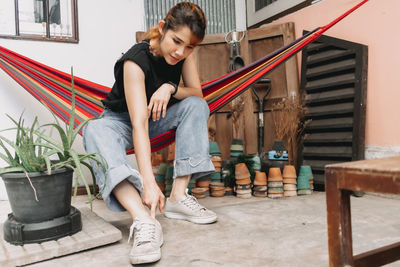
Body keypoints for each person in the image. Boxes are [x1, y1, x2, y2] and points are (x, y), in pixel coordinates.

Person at [83, 2, 217, 265]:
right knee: (93, 129)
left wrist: (169, 87)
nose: (180, 51)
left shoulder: (183, 56)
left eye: (189, 46)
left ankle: (178, 196)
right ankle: (144, 220)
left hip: (159, 115)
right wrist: (148, 182)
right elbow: (139, 124)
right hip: (122, 121)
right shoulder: (136, 61)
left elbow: (197, 94)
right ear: (162, 29)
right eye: (176, 41)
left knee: (196, 106)